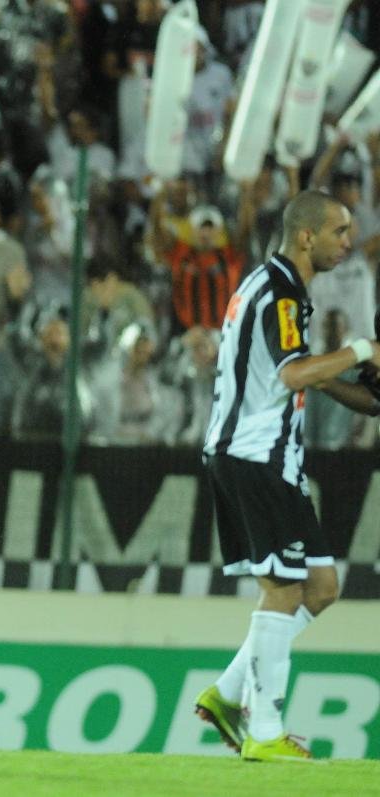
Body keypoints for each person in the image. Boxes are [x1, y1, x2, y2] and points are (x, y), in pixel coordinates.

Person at [195, 190, 380, 762]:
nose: (348, 242)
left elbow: (309, 379)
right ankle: (265, 729)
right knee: (283, 588)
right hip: (254, 455)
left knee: (321, 587)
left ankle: (228, 695)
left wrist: (369, 397)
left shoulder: (275, 286)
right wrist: (362, 347)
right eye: (339, 232)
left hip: (269, 457)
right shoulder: (280, 291)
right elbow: (298, 373)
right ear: (306, 236)